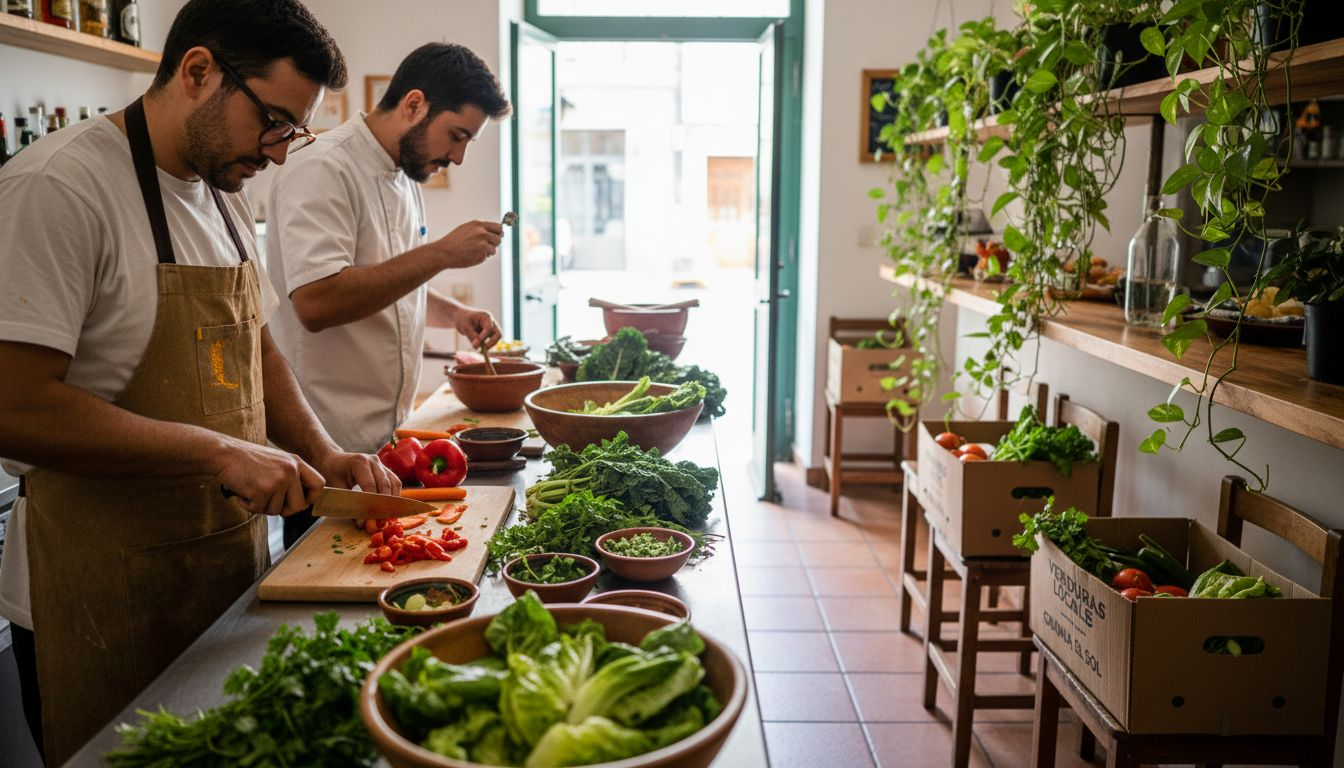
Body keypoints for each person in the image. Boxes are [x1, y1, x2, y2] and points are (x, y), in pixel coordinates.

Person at [0, 0, 399, 761]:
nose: (282, 153)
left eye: (296, 131)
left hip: (219, 578)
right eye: (275, 121)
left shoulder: (219, 192)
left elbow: (258, 351)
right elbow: (11, 407)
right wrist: (217, 452)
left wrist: (326, 452)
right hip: (97, 596)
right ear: (197, 72)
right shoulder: (58, 186)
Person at [266, 42, 512, 547]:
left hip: (391, 440)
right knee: (326, 598)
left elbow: (390, 280)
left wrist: (454, 312)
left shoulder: (404, 175)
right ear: (415, 105)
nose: (459, 157)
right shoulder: (322, 168)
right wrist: (443, 252)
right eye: (457, 136)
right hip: (326, 445)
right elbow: (316, 302)